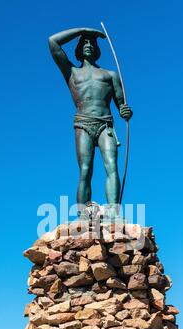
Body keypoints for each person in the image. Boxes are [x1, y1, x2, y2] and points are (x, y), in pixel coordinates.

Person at [48, 27, 133, 209]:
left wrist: (126, 112)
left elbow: (122, 105)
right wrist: (83, 30)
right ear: (78, 49)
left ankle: (113, 211)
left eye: (92, 43)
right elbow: (53, 42)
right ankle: (83, 213)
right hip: (83, 123)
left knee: (111, 166)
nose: (88, 45)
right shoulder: (71, 72)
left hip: (105, 125)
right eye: (84, 42)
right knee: (85, 171)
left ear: (97, 49)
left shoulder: (110, 75)